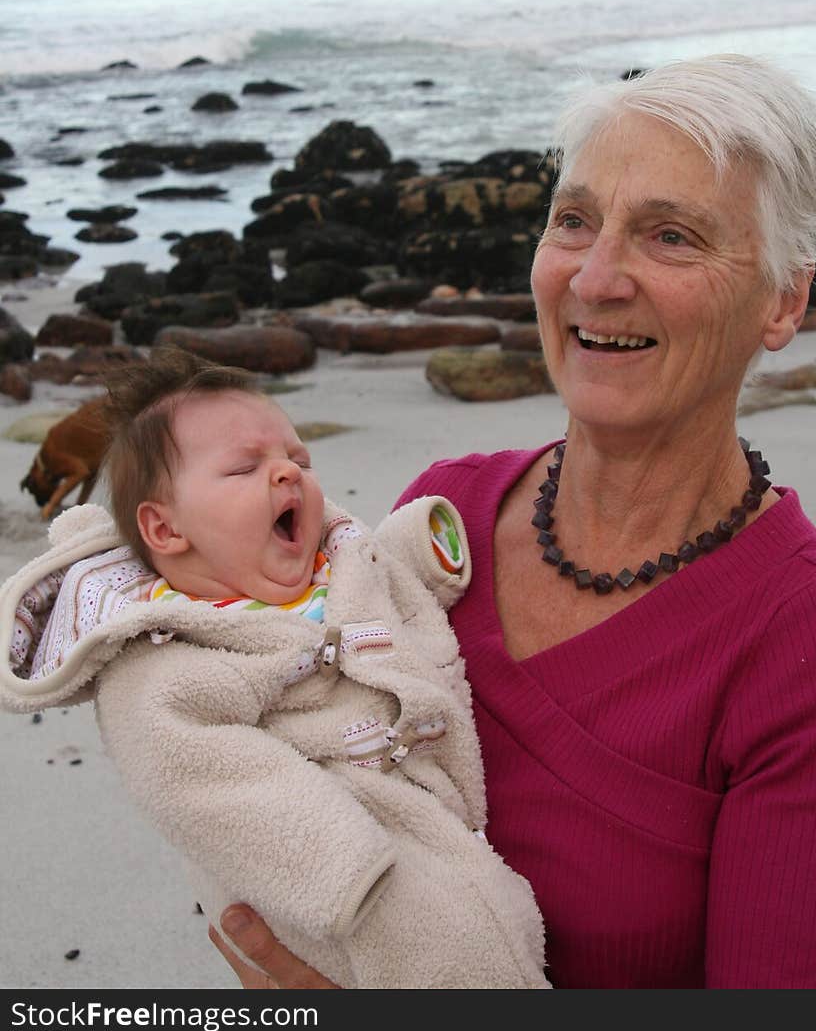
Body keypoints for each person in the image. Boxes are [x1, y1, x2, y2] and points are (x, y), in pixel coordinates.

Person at [211, 53, 816, 990]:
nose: (597, 278)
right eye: (574, 220)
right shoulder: (444, 520)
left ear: (784, 300)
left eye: (673, 236)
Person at [0, 346, 548, 990]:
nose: (288, 472)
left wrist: (424, 548)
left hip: (425, 815)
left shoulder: (326, 564)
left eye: (300, 459)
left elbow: (378, 570)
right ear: (166, 529)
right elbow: (197, 774)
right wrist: (336, 861)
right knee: (455, 956)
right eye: (243, 468)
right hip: (335, 877)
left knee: (501, 927)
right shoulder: (166, 657)